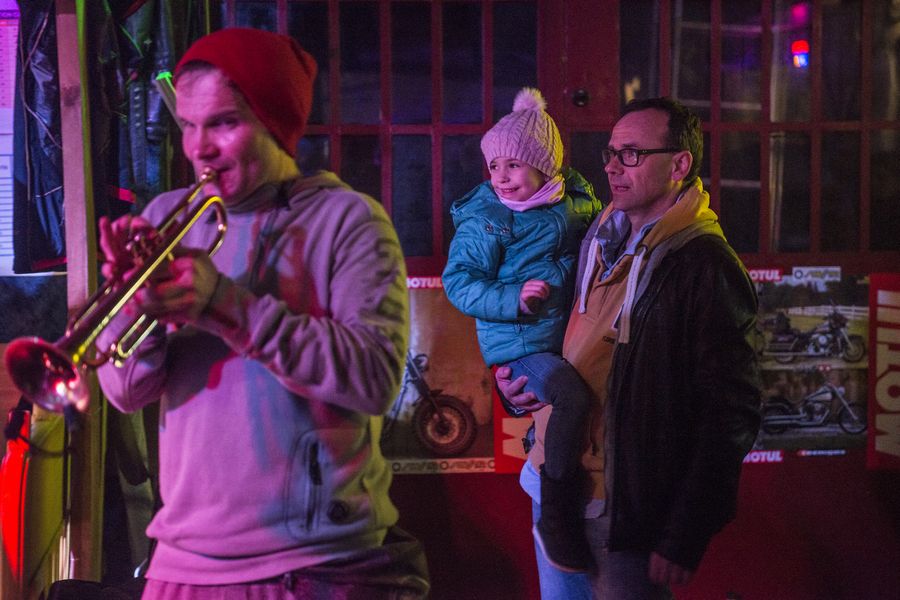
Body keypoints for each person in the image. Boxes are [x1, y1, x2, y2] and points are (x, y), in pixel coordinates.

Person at [95, 28, 428, 599]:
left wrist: (224, 305)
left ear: (275, 123)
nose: (198, 148)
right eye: (188, 125)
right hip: (181, 564)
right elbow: (126, 391)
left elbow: (374, 380)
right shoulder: (167, 216)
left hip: (314, 563)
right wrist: (134, 315)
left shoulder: (349, 220)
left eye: (223, 123)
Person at [497, 97, 761, 599]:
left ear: (679, 165)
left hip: (623, 509)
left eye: (632, 154)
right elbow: (563, 341)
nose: (613, 167)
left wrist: (685, 530)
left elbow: (731, 409)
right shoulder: (599, 234)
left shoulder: (704, 264)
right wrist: (518, 389)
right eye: (611, 153)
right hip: (552, 485)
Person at [442, 87, 602, 572]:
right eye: (494, 166)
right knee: (571, 398)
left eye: (513, 165)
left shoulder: (576, 204)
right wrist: (512, 297)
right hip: (519, 344)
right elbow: (459, 282)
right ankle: (556, 512)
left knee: (572, 401)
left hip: (563, 337)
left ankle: (549, 455)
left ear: (546, 167)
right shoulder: (488, 220)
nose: (501, 177)